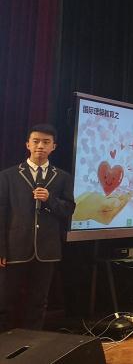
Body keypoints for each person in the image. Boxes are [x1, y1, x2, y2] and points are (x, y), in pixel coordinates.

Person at [0, 124, 75, 331]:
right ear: (28, 145)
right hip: (14, 248)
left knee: (38, 301)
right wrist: (1, 249)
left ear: (54, 147)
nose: (40, 146)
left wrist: (50, 199)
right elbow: (2, 213)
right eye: (36, 141)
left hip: (47, 249)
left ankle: (32, 342)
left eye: (46, 142)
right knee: (5, 299)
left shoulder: (63, 177)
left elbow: (68, 209)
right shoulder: (8, 176)